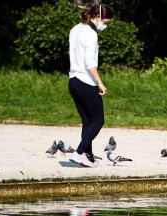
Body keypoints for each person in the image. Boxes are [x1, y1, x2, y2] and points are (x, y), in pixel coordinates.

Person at [68, 3, 114, 168]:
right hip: (86, 81)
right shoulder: (91, 35)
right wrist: (100, 83)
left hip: (73, 80)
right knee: (98, 121)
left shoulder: (75, 29)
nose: (105, 26)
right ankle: (79, 153)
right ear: (98, 17)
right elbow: (89, 64)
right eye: (106, 22)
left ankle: (87, 156)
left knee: (87, 122)